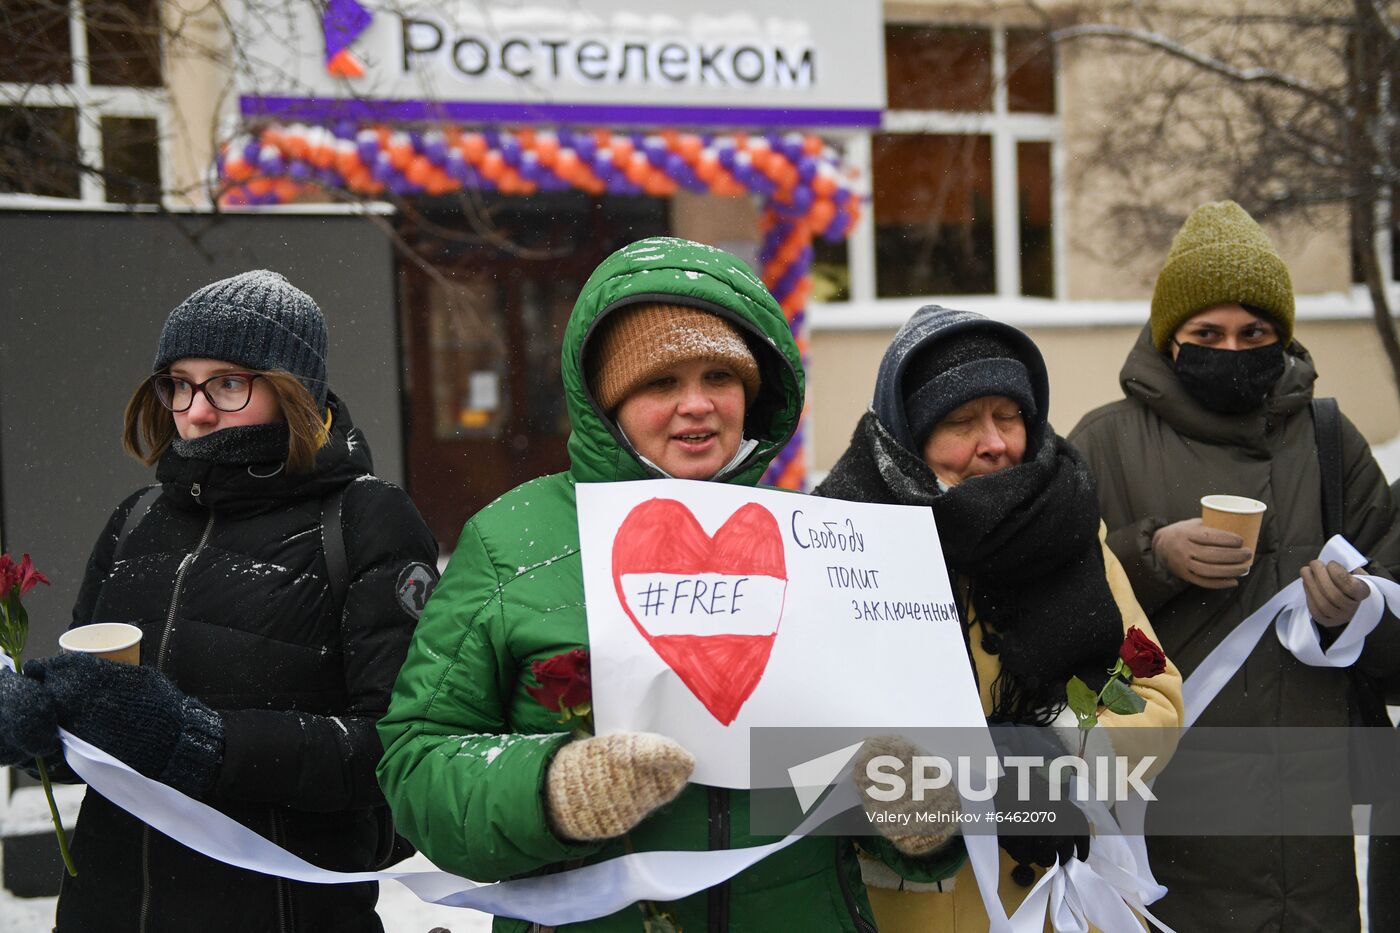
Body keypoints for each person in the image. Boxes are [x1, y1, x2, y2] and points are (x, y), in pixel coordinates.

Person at [376, 237, 964, 933]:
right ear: (607, 401)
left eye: (720, 376)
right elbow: (417, 763)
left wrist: (922, 818)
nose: (697, 405)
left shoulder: (822, 543)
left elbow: (872, 768)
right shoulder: (512, 542)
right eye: (660, 384)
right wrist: (551, 790)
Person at [0, 270, 439, 932]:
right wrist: (41, 727)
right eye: (178, 383)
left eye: (228, 383)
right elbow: (102, 727)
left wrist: (200, 741)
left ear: (294, 389)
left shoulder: (364, 520)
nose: (196, 410)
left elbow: (400, 752)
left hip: (285, 913)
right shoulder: (135, 519)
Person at [1068, 200, 1400, 930]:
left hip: (1310, 838)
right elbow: (1057, 618)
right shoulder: (1104, 442)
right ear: (1171, 339)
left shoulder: (1329, 439)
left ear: (1282, 336)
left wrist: (1357, 613)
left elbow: (1395, 618)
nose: (1232, 348)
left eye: (1255, 333)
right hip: (1164, 836)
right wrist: (1152, 555)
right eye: (1207, 334)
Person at [815, 304, 1184, 931]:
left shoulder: (1068, 527)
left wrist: (1057, 754)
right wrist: (968, 781)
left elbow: (1158, 702)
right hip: (910, 906)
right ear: (907, 435)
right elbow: (803, 737)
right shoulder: (840, 541)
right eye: (960, 421)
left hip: (1059, 903)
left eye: (1008, 416)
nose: (994, 443)